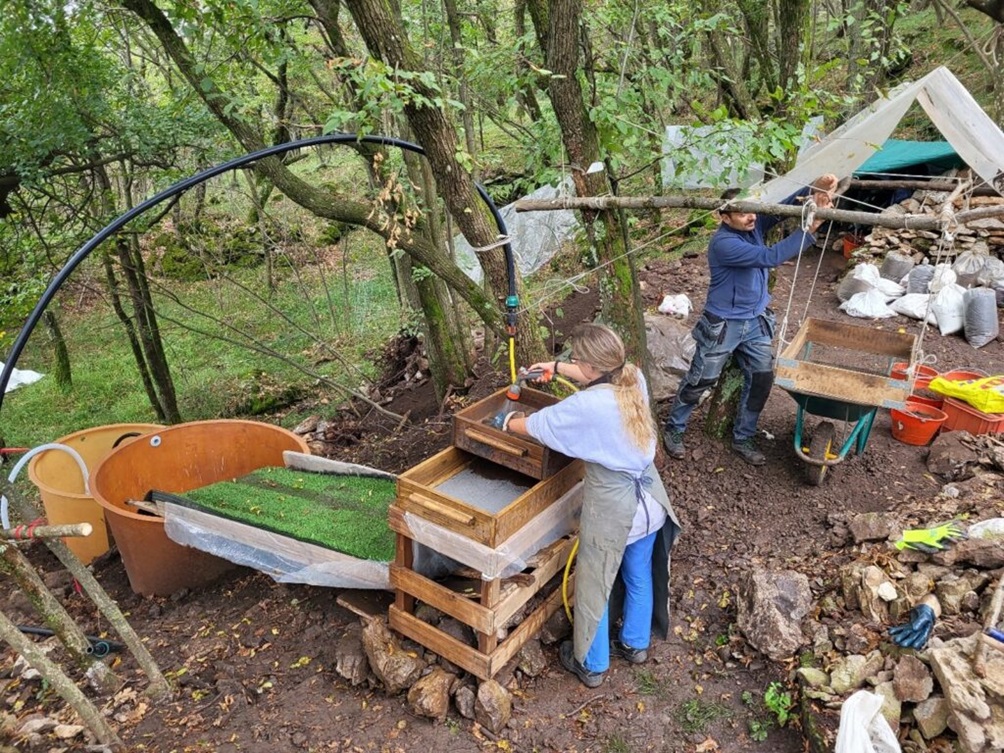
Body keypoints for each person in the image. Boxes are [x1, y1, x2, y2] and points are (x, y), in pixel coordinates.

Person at [502, 323, 682, 687]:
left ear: (588, 366)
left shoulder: (588, 405)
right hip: (650, 501)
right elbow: (595, 374)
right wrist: (554, 367)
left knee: (593, 584)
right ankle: (635, 644)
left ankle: (593, 663)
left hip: (617, 511)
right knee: (638, 572)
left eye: (575, 361)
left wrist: (508, 422)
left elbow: (542, 424)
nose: (574, 365)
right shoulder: (634, 378)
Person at [662, 174, 840, 466]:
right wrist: (809, 229)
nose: (751, 217)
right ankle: (675, 430)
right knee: (700, 380)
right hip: (724, 324)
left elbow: (782, 205)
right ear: (724, 216)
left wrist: (812, 188)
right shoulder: (724, 243)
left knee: (761, 379)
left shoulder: (754, 225)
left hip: (756, 322)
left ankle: (743, 436)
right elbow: (770, 257)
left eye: (752, 210)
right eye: (742, 213)